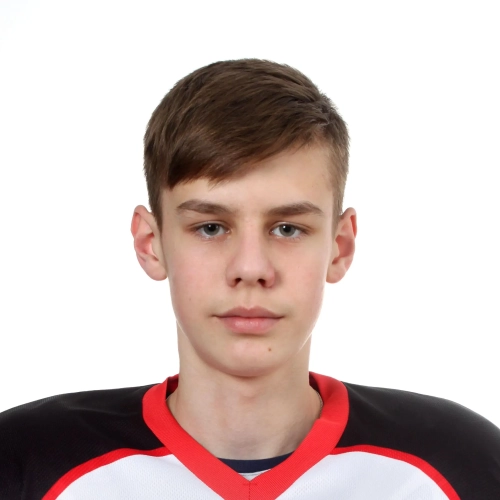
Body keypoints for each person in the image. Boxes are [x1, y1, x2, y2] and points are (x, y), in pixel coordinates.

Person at [0, 59, 499, 500]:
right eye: (211, 227)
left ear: (340, 246)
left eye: (287, 228)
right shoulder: (26, 464)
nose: (252, 268)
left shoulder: (460, 466)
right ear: (151, 243)